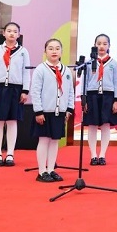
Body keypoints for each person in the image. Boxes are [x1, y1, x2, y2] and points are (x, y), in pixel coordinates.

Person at [0, 22, 30, 167]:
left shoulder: (23, 52)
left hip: (15, 89)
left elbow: (26, 72)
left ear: (18, 35)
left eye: (15, 31)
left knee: (12, 121)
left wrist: (25, 91)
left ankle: (10, 154)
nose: (12, 33)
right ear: (3, 33)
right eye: (9, 31)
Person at [30, 39, 74, 182]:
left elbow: (70, 91)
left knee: (55, 141)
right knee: (44, 140)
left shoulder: (66, 71)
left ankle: (51, 169)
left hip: (60, 112)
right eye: (50, 48)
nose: (54, 51)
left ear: (61, 51)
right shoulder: (40, 69)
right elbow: (35, 91)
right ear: (45, 51)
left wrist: (69, 109)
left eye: (57, 48)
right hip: (44, 112)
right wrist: (38, 111)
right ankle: (42, 171)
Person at [82, 34, 117, 166]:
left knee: (105, 125)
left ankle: (102, 154)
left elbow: (116, 82)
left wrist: (116, 100)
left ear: (109, 46)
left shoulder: (113, 63)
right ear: (94, 45)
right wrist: (84, 99)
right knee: (92, 125)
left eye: (104, 44)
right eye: (99, 44)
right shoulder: (89, 62)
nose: (101, 46)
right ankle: (93, 155)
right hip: (92, 96)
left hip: (108, 96)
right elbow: (85, 81)